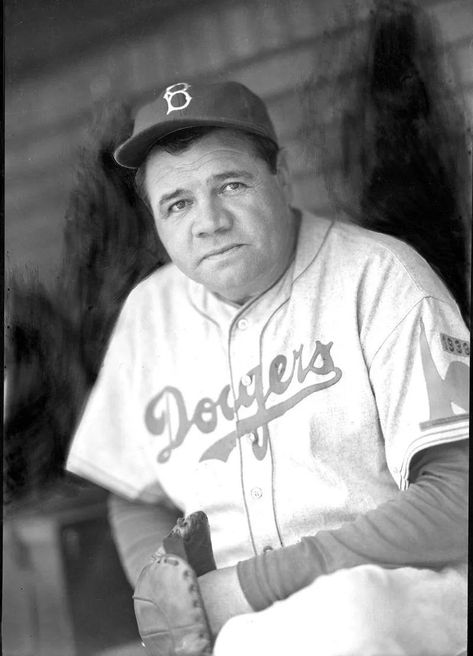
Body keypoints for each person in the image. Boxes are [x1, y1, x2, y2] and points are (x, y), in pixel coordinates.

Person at [66, 81, 469, 655]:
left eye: (231, 184)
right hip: (242, 628)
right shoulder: (148, 314)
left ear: (281, 178)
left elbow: (460, 496)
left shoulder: (382, 278)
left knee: (346, 616)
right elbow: (136, 492)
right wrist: (170, 600)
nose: (208, 221)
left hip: (401, 598)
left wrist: (249, 585)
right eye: (177, 203)